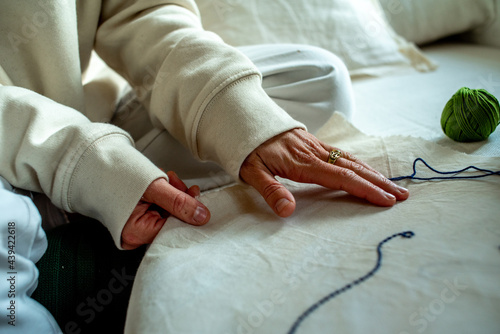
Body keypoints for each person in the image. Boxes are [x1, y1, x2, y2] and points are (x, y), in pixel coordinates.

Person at [0, 0, 409, 331]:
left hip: (73, 115)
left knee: (319, 80)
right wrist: (88, 165)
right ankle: (68, 237)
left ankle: (62, 207)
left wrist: (246, 124)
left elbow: (139, 12)